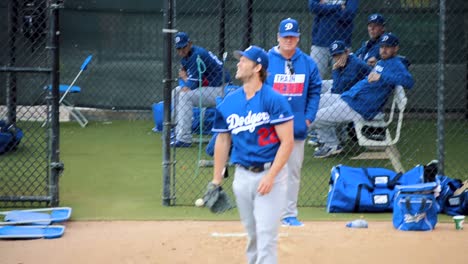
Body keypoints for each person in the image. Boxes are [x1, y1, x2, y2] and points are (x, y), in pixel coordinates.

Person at [210, 45, 294, 264]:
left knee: (266, 235)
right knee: (253, 235)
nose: (239, 63)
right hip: (242, 176)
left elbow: (287, 142)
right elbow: (222, 140)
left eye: (244, 60)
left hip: (270, 175)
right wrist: (216, 180)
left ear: (258, 67)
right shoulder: (230, 102)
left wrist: (271, 175)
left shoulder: (274, 99)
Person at [311, 33, 414, 158]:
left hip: (359, 107)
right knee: (315, 101)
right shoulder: (383, 62)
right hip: (350, 97)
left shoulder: (396, 64)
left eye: (388, 47)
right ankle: (332, 140)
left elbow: (409, 81)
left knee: (314, 117)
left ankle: (331, 145)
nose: (384, 49)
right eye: (382, 46)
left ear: (395, 48)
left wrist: (382, 76)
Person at [266, 18, 321, 227]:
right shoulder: (267, 60)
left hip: (295, 126)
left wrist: (308, 117)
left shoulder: (308, 63)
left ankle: (289, 213)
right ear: (278, 37)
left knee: (292, 172)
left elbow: (315, 91)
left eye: (293, 37)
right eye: (285, 37)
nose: (289, 40)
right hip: (269, 127)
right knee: (266, 169)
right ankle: (268, 213)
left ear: (298, 39)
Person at [171, 32, 231, 147]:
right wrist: (185, 82)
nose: (181, 51)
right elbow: (191, 83)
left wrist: (184, 78)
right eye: (178, 48)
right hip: (210, 88)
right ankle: (177, 131)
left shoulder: (196, 55)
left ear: (190, 44)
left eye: (183, 47)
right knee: (176, 92)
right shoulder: (187, 57)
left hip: (222, 89)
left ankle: (184, 138)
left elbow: (192, 84)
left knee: (184, 96)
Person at [308, 0, 360, 78]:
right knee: (313, 79)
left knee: (343, 82)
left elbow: (348, 15)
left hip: (342, 46)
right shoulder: (339, 6)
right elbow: (313, 7)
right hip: (320, 43)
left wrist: (324, 10)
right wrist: (338, 7)